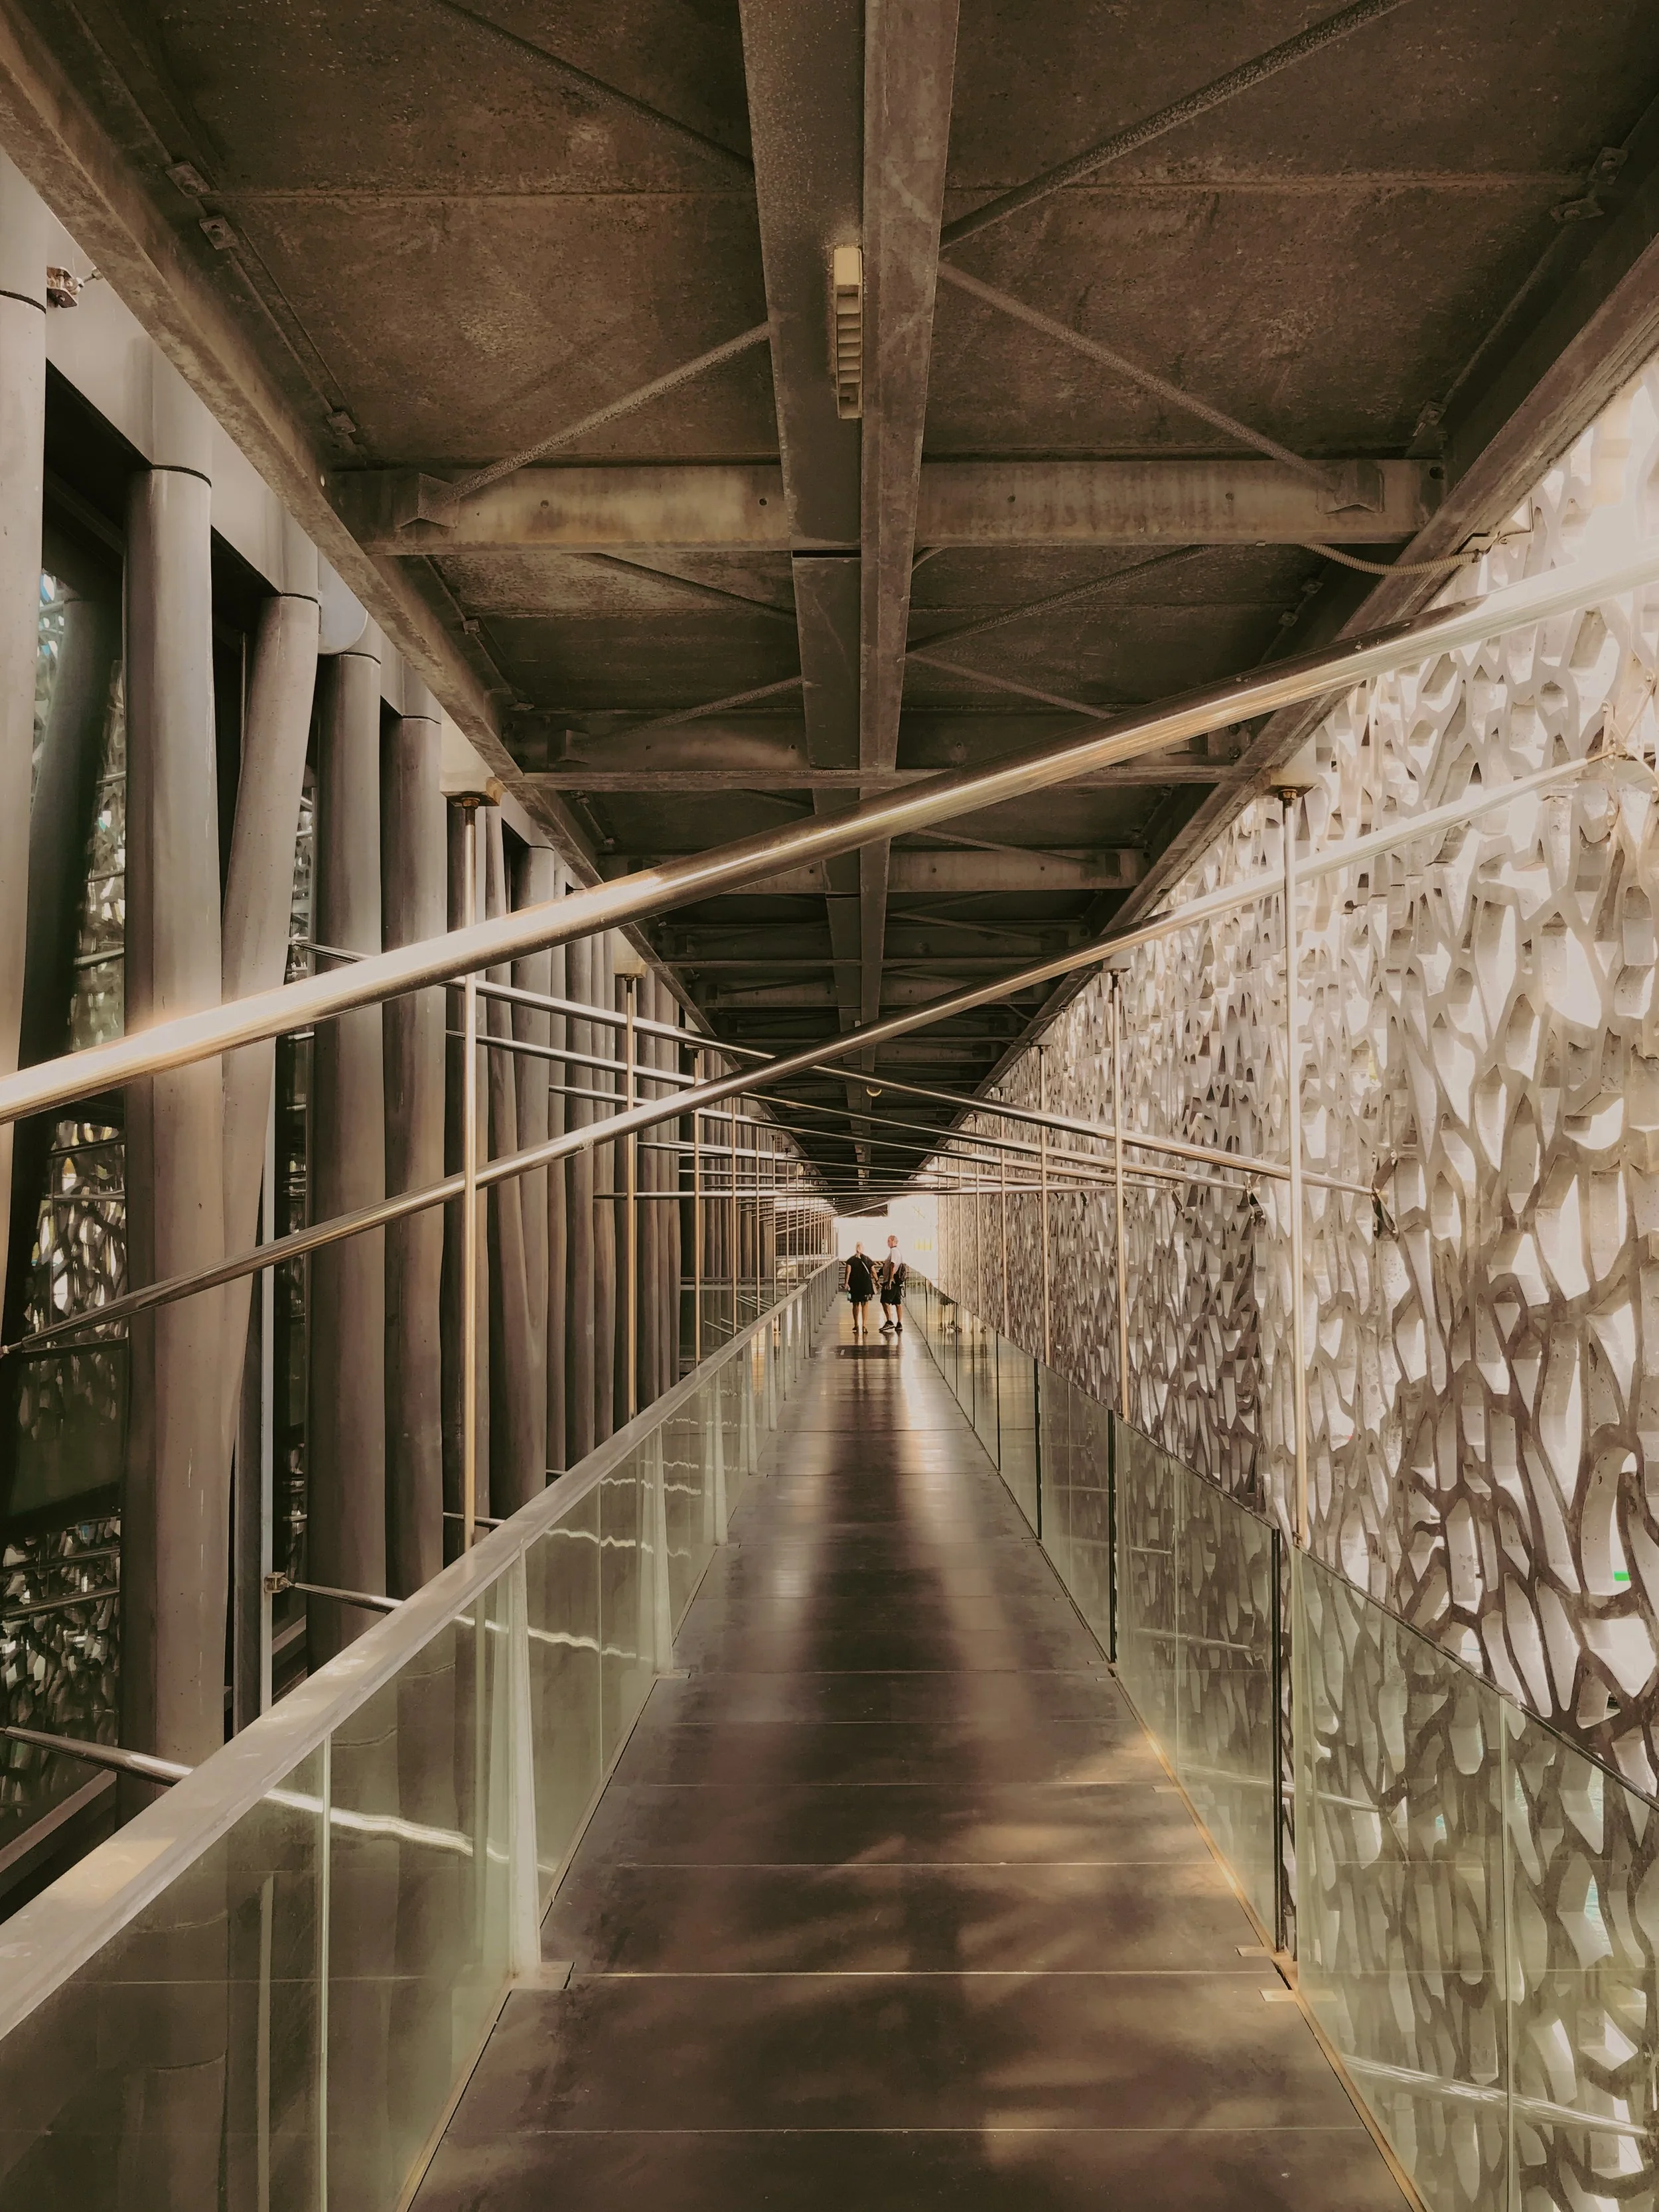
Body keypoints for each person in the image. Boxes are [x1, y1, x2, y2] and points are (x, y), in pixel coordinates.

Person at [842, 1241, 876, 1336]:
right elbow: (873, 1271)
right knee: (865, 1304)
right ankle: (864, 1325)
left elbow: (848, 1272)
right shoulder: (868, 1259)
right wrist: (877, 1280)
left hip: (855, 1285)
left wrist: (846, 1283)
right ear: (863, 1249)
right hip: (865, 1285)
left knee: (855, 1305)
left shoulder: (851, 1260)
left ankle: (856, 1325)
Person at [878, 1234, 907, 1334]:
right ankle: (899, 1324)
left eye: (889, 1241)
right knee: (897, 1303)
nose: (888, 1243)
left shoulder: (894, 1251)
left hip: (892, 1281)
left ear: (893, 1241)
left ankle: (889, 1321)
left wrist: (890, 1281)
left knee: (884, 1301)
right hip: (897, 1283)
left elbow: (892, 1265)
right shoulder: (898, 1252)